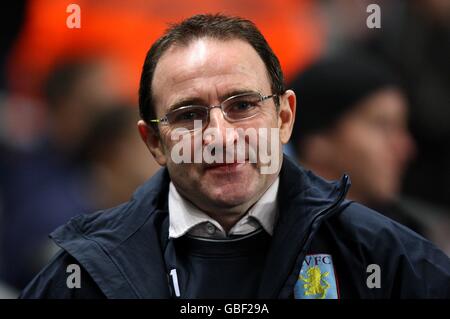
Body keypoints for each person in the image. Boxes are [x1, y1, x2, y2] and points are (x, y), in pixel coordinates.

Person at [20, 14, 449, 299]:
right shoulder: (84, 275)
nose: (220, 136)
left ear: (284, 117)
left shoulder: (387, 259)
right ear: (153, 142)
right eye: (189, 115)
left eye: (242, 105)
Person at [289, 53, 450, 255]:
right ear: (318, 141)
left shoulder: (415, 240)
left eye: (401, 128)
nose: (405, 148)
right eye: (382, 125)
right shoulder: (274, 243)